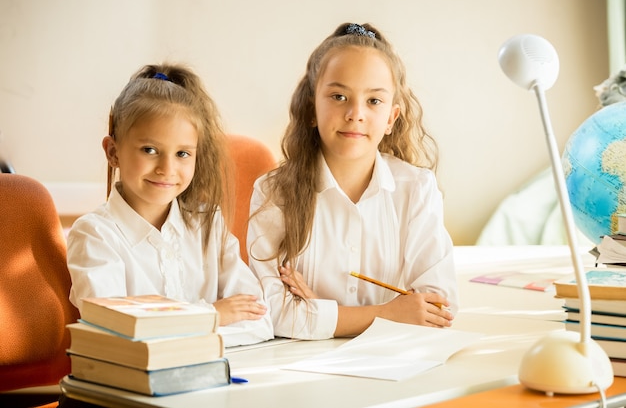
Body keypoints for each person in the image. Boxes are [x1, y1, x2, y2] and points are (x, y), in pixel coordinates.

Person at [247, 23, 458, 340]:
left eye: (374, 101)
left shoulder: (416, 189)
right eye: (338, 96)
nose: (355, 113)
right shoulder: (273, 192)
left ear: (391, 118)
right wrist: (387, 314)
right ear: (311, 109)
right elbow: (271, 313)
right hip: (301, 368)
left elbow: (439, 310)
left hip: (393, 365)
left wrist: (320, 312)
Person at [67, 63, 273, 347]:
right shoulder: (95, 235)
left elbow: (258, 321)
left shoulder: (208, 224)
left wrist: (164, 329)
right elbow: (117, 330)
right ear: (113, 152)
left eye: (182, 153)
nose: (167, 168)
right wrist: (212, 314)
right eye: (150, 150)